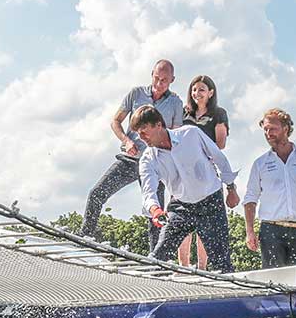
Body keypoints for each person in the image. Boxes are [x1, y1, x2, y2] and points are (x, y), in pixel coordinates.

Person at [81, 60, 184, 251]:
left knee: (155, 213)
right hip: (131, 159)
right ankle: (85, 236)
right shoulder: (136, 94)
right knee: (96, 193)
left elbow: (175, 134)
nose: (159, 84)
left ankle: (156, 256)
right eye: (156, 78)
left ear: (172, 80)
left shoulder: (176, 103)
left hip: (155, 164)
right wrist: (126, 141)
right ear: (151, 73)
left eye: (164, 81)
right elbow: (115, 121)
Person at [132, 105, 239, 271]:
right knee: (157, 258)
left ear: (158, 125)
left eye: (144, 130)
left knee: (222, 262)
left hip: (211, 203)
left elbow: (220, 158)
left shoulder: (191, 134)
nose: (141, 137)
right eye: (138, 133)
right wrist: (155, 211)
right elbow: (148, 192)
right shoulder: (147, 159)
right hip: (180, 207)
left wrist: (231, 188)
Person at [243, 109, 296, 267]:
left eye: (273, 129)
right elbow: (250, 199)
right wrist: (249, 231)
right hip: (271, 230)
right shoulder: (260, 163)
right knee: (273, 283)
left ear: (286, 128)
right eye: (265, 129)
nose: (268, 133)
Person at [178, 74, 230, 269]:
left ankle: (202, 267)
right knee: (181, 217)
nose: (196, 93)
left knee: (204, 221)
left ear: (210, 92)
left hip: (206, 169)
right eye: (193, 89)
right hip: (183, 171)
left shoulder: (218, 113)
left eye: (201, 89)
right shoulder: (184, 113)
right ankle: (183, 266)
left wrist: (203, 152)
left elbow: (221, 143)